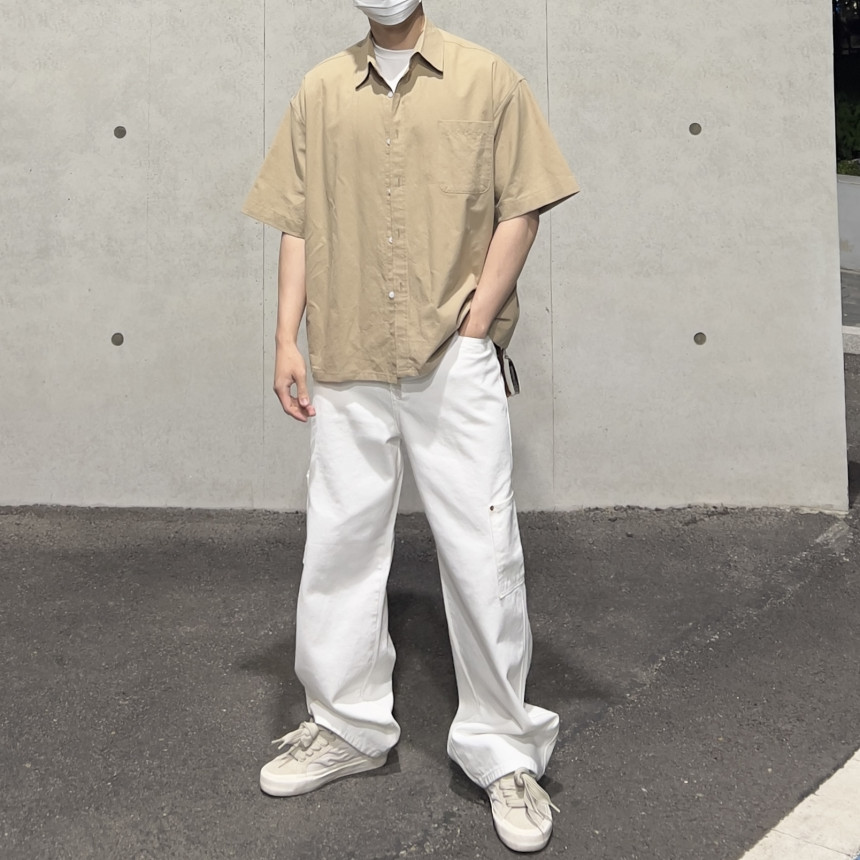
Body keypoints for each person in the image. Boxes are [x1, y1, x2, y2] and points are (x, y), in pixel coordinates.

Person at [242, 0, 578, 851]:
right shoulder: (320, 90)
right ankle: (346, 726)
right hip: (347, 352)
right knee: (340, 546)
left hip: (452, 358)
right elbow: (298, 221)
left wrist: (477, 323)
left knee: (482, 550)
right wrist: (285, 337)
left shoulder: (489, 79)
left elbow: (523, 206)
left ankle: (504, 750)